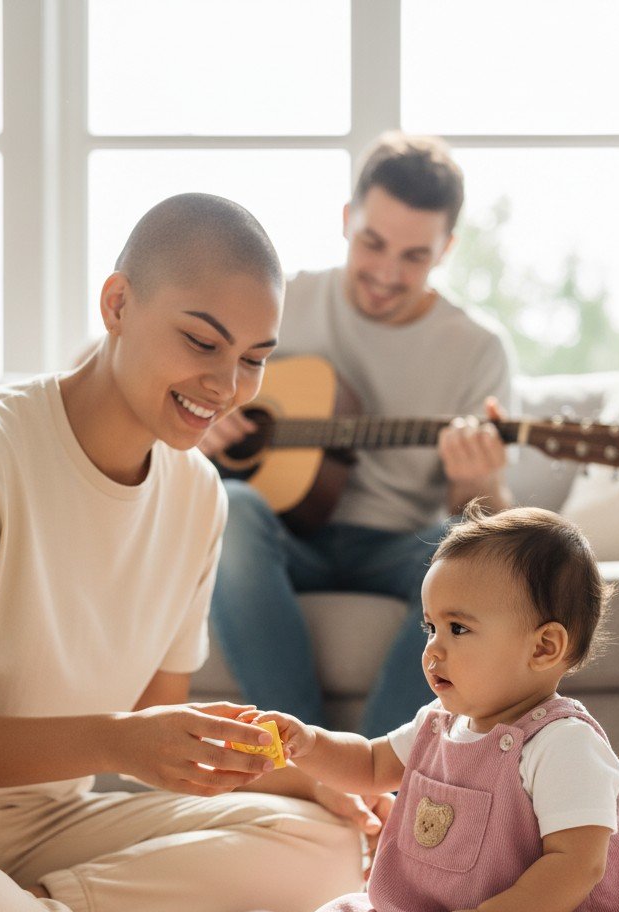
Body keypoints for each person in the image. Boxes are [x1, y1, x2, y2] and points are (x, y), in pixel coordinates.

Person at [0, 193, 382, 912]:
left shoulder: (200, 495)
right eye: (202, 341)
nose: (227, 386)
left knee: (329, 846)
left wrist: (306, 779)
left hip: (49, 830)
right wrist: (115, 742)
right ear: (118, 304)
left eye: (255, 358)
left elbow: (160, 737)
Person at [141, 505, 619, 912]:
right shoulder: (438, 723)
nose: (433, 648)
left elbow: (576, 866)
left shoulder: (564, 744)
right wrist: (307, 744)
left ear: (544, 647)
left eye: (458, 628)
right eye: (431, 627)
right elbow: (370, 764)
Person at [200, 132, 515, 740]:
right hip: (283, 537)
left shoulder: (478, 349)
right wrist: (210, 424)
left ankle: (377, 770)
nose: (387, 273)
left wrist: (478, 481)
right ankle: (300, 751)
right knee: (229, 506)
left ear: (446, 250)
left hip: (402, 548)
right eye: (372, 243)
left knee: (470, 547)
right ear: (347, 220)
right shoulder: (278, 300)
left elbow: (484, 520)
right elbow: (176, 381)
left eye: (414, 256)